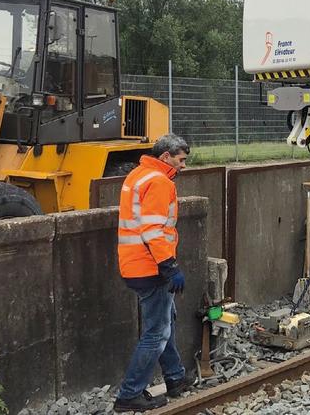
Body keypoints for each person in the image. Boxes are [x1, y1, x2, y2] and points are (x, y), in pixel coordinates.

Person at [113, 134, 191, 412]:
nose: (184, 166)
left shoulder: (138, 174)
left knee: (165, 320)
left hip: (134, 263)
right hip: (151, 266)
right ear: (166, 157)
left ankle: (175, 377)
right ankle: (129, 394)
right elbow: (153, 230)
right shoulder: (158, 181)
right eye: (181, 160)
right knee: (156, 332)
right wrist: (169, 267)